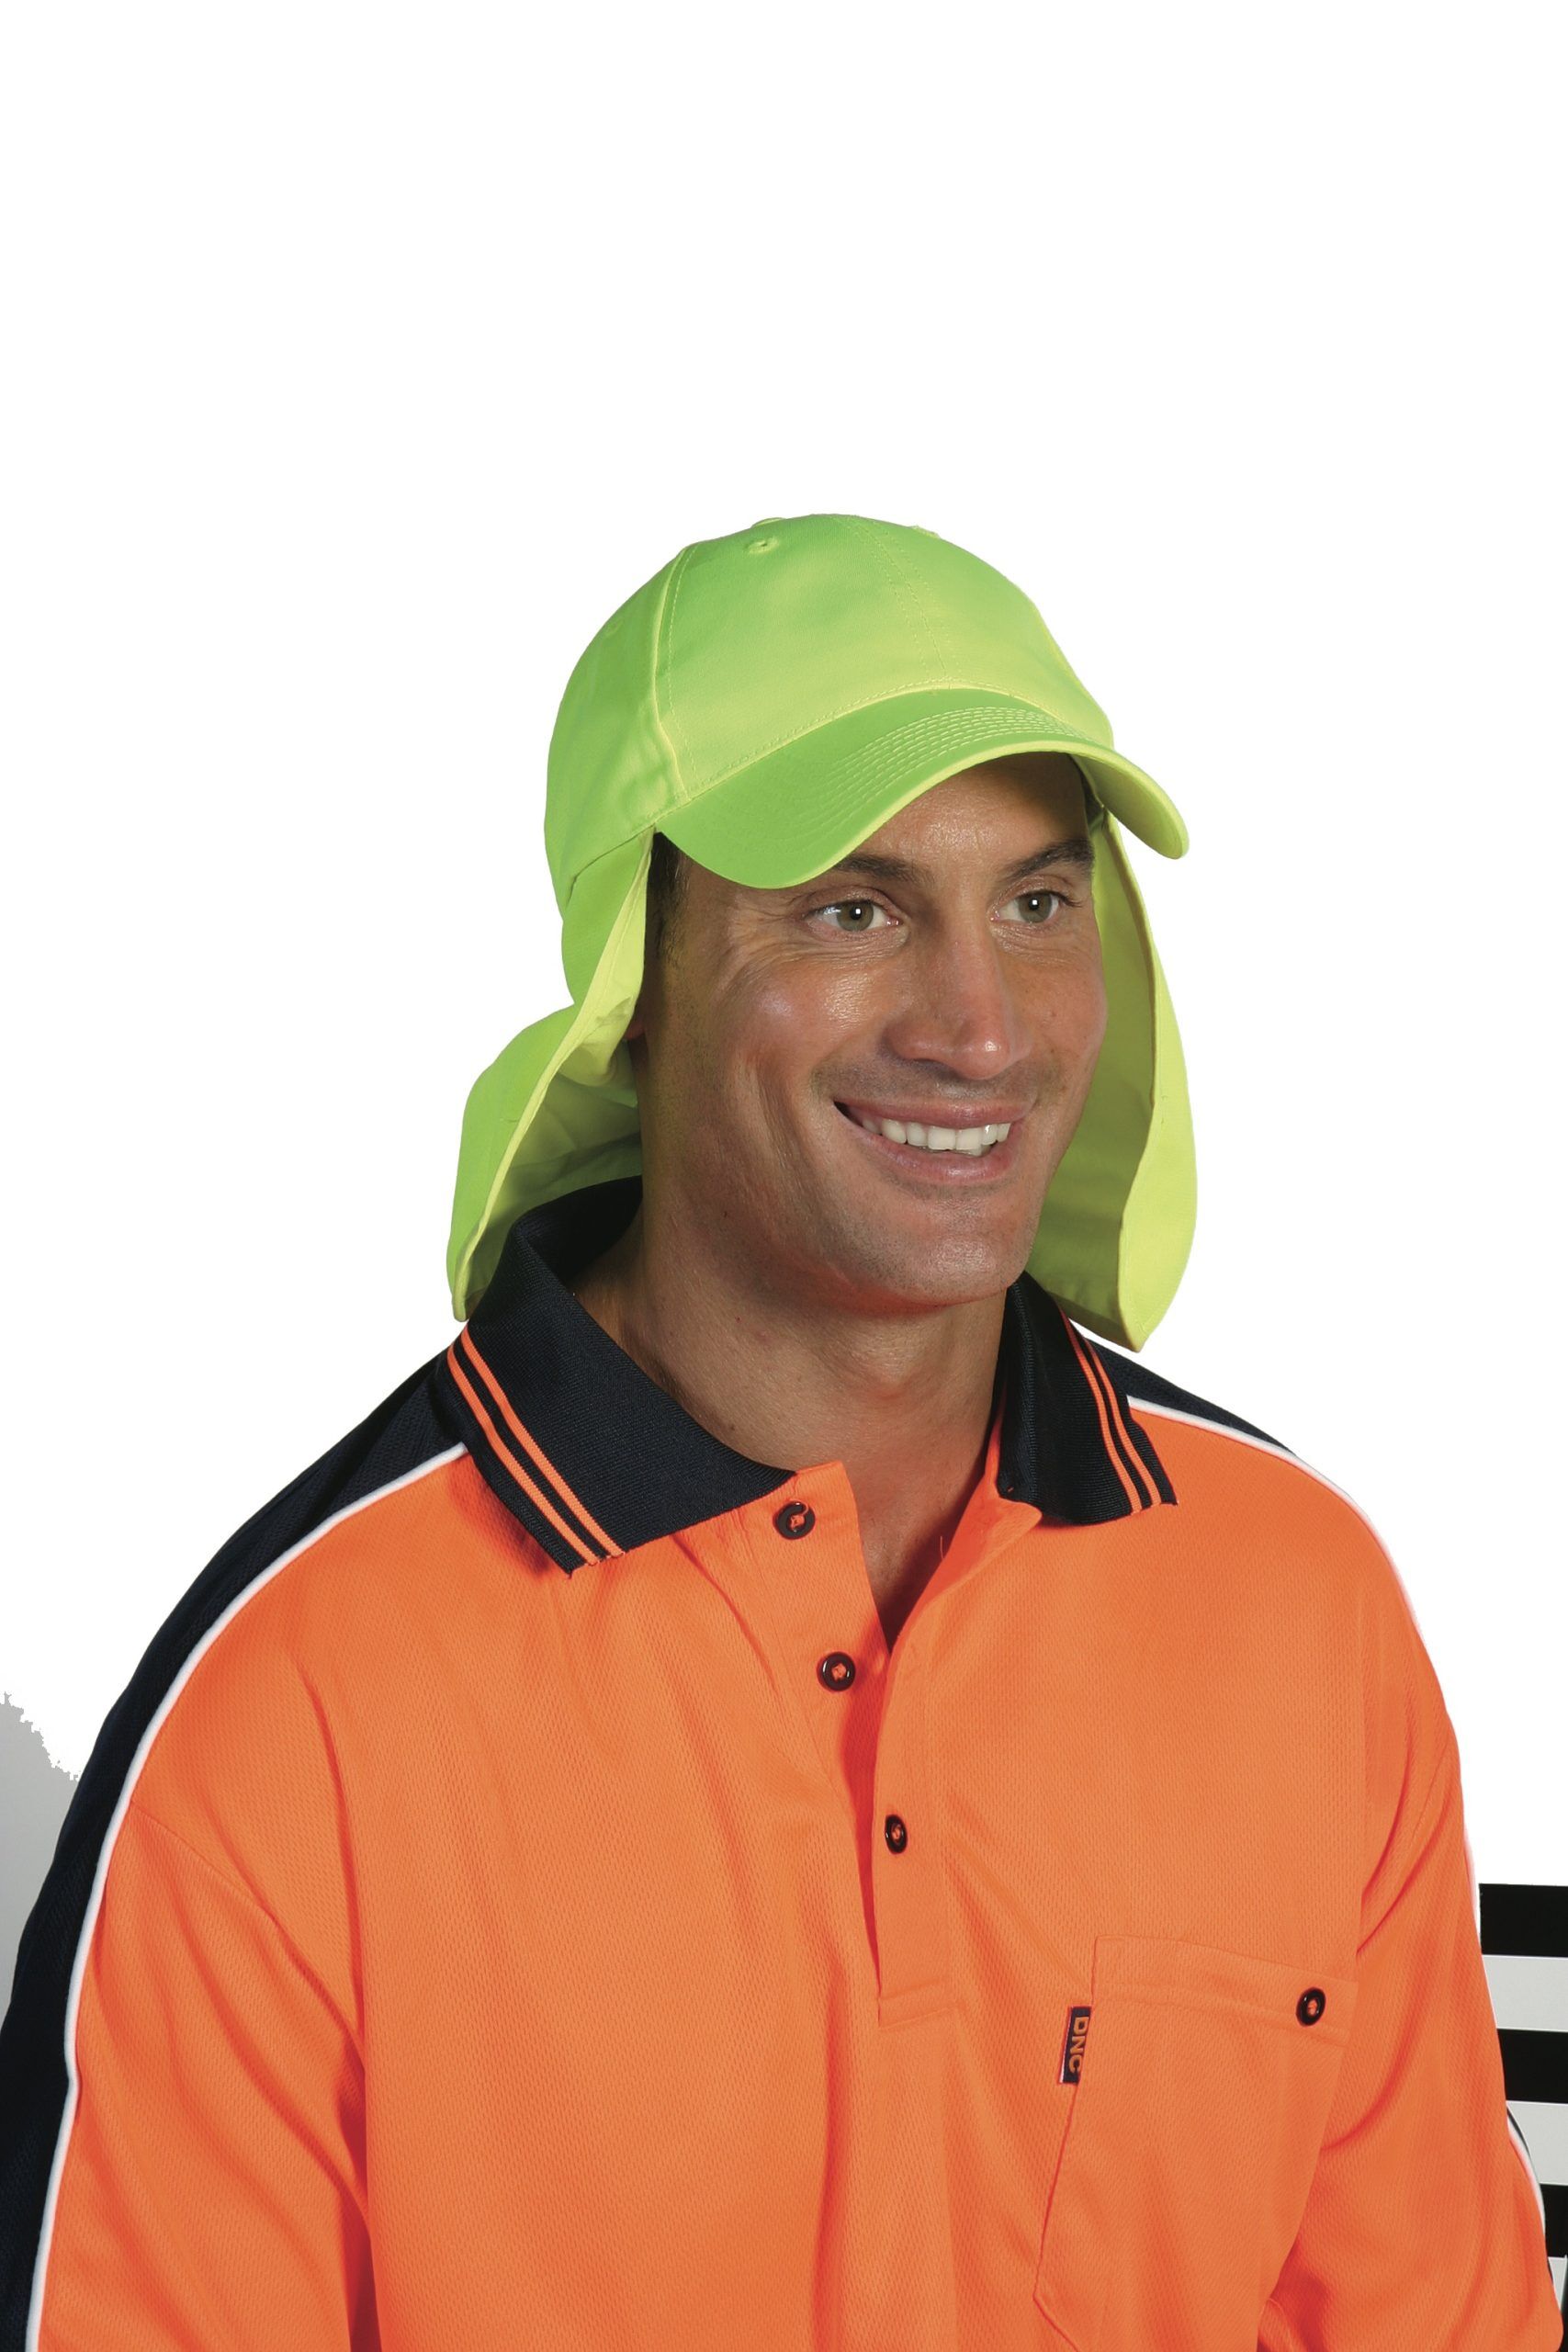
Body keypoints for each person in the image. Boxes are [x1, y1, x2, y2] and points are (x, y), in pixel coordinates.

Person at [0, 512, 1559, 2350]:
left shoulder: (1297, 1604)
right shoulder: (299, 1706)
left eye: (1037, 903)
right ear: (635, 983)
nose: (980, 1029)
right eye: (853, 908)